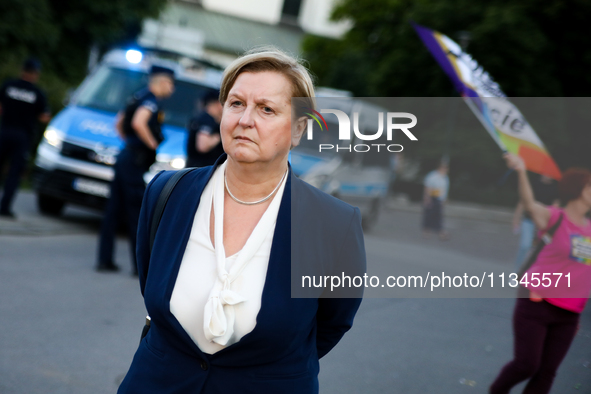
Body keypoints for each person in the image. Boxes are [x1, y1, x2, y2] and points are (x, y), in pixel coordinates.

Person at [117, 48, 366, 393]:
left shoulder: (334, 225)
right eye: (236, 104)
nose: (245, 119)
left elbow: (330, 324)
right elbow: (153, 285)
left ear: (297, 129)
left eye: (266, 109)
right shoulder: (168, 193)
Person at [490, 153, 591, 394]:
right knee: (527, 365)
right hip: (537, 302)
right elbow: (528, 203)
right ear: (578, 189)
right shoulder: (555, 217)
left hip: (569, 313)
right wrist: (522, 171)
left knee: (547, 373)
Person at [96, 65, 175, 273]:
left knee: (113, 211)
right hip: (133, 161)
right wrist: (151, 145)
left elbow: (119, 122)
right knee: (137, 214)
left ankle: (105, 260)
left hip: (126, 156)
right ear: (162, 82)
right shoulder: (150, 100)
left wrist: (129, 143)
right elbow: (140, 123)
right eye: (170, 83)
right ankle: (140, 267)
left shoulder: (136, 96)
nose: (172, 89)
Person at [0, 58, 51, 219]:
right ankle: (5, 207)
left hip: (5, 131)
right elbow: (44, 116)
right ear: (35, 74)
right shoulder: (37, 93)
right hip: (22, 136)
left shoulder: (9, 85)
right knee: (14, 173)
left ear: (22, 70)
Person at [512, 174, 559, 271]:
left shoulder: (555, 189)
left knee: (538, 251)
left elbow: (555, 208)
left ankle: (529, 273)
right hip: (528, 220)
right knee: (525, 246)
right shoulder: (533, 184)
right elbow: (522, 201)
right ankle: (516, 271)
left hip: (543, 224)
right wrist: (516, 218)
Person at [185, 89, 224, 168]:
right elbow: (203, 146)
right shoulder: (207, 119)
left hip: (196, 168)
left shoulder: (202, 118)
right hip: (201, 169)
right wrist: (217, 138)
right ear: (216, 103)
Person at [422, 161, 449, 240]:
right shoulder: (432, 176)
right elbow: (427, 187)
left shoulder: (445, 178)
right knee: (429, 215)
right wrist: (427, 198)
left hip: (439, 198)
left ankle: (440, 231)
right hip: (432, 197)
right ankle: (426, 230)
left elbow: (444, 190)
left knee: (438, 215)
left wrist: (444, 199)